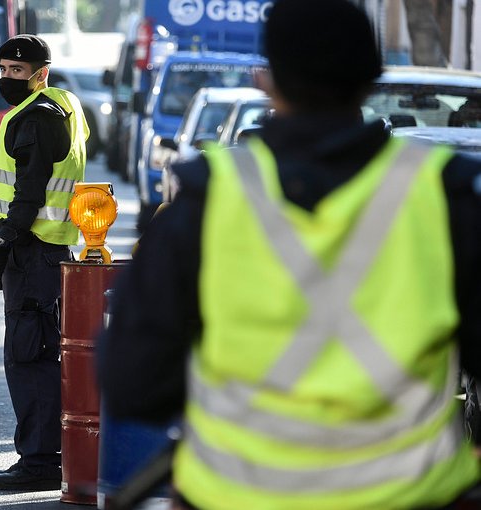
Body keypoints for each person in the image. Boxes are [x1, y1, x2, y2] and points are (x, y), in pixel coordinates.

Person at [97, 0, 481, 508]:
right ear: (370, 78)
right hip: (409, 496)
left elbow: (132, 383)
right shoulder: (444, 195)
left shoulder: (210, 199)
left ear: (266, 81)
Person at [0, 34, 89, 491]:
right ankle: (45, 455)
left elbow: (29, 192)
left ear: (40, 73)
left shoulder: (39, 116)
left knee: (30, 357)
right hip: (43, 251)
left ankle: (42, 460)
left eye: (17, 72)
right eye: (3, 69)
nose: (7, 78)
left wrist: (1, 243)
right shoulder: (63, 105)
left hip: (32, 252)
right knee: (38, 353)